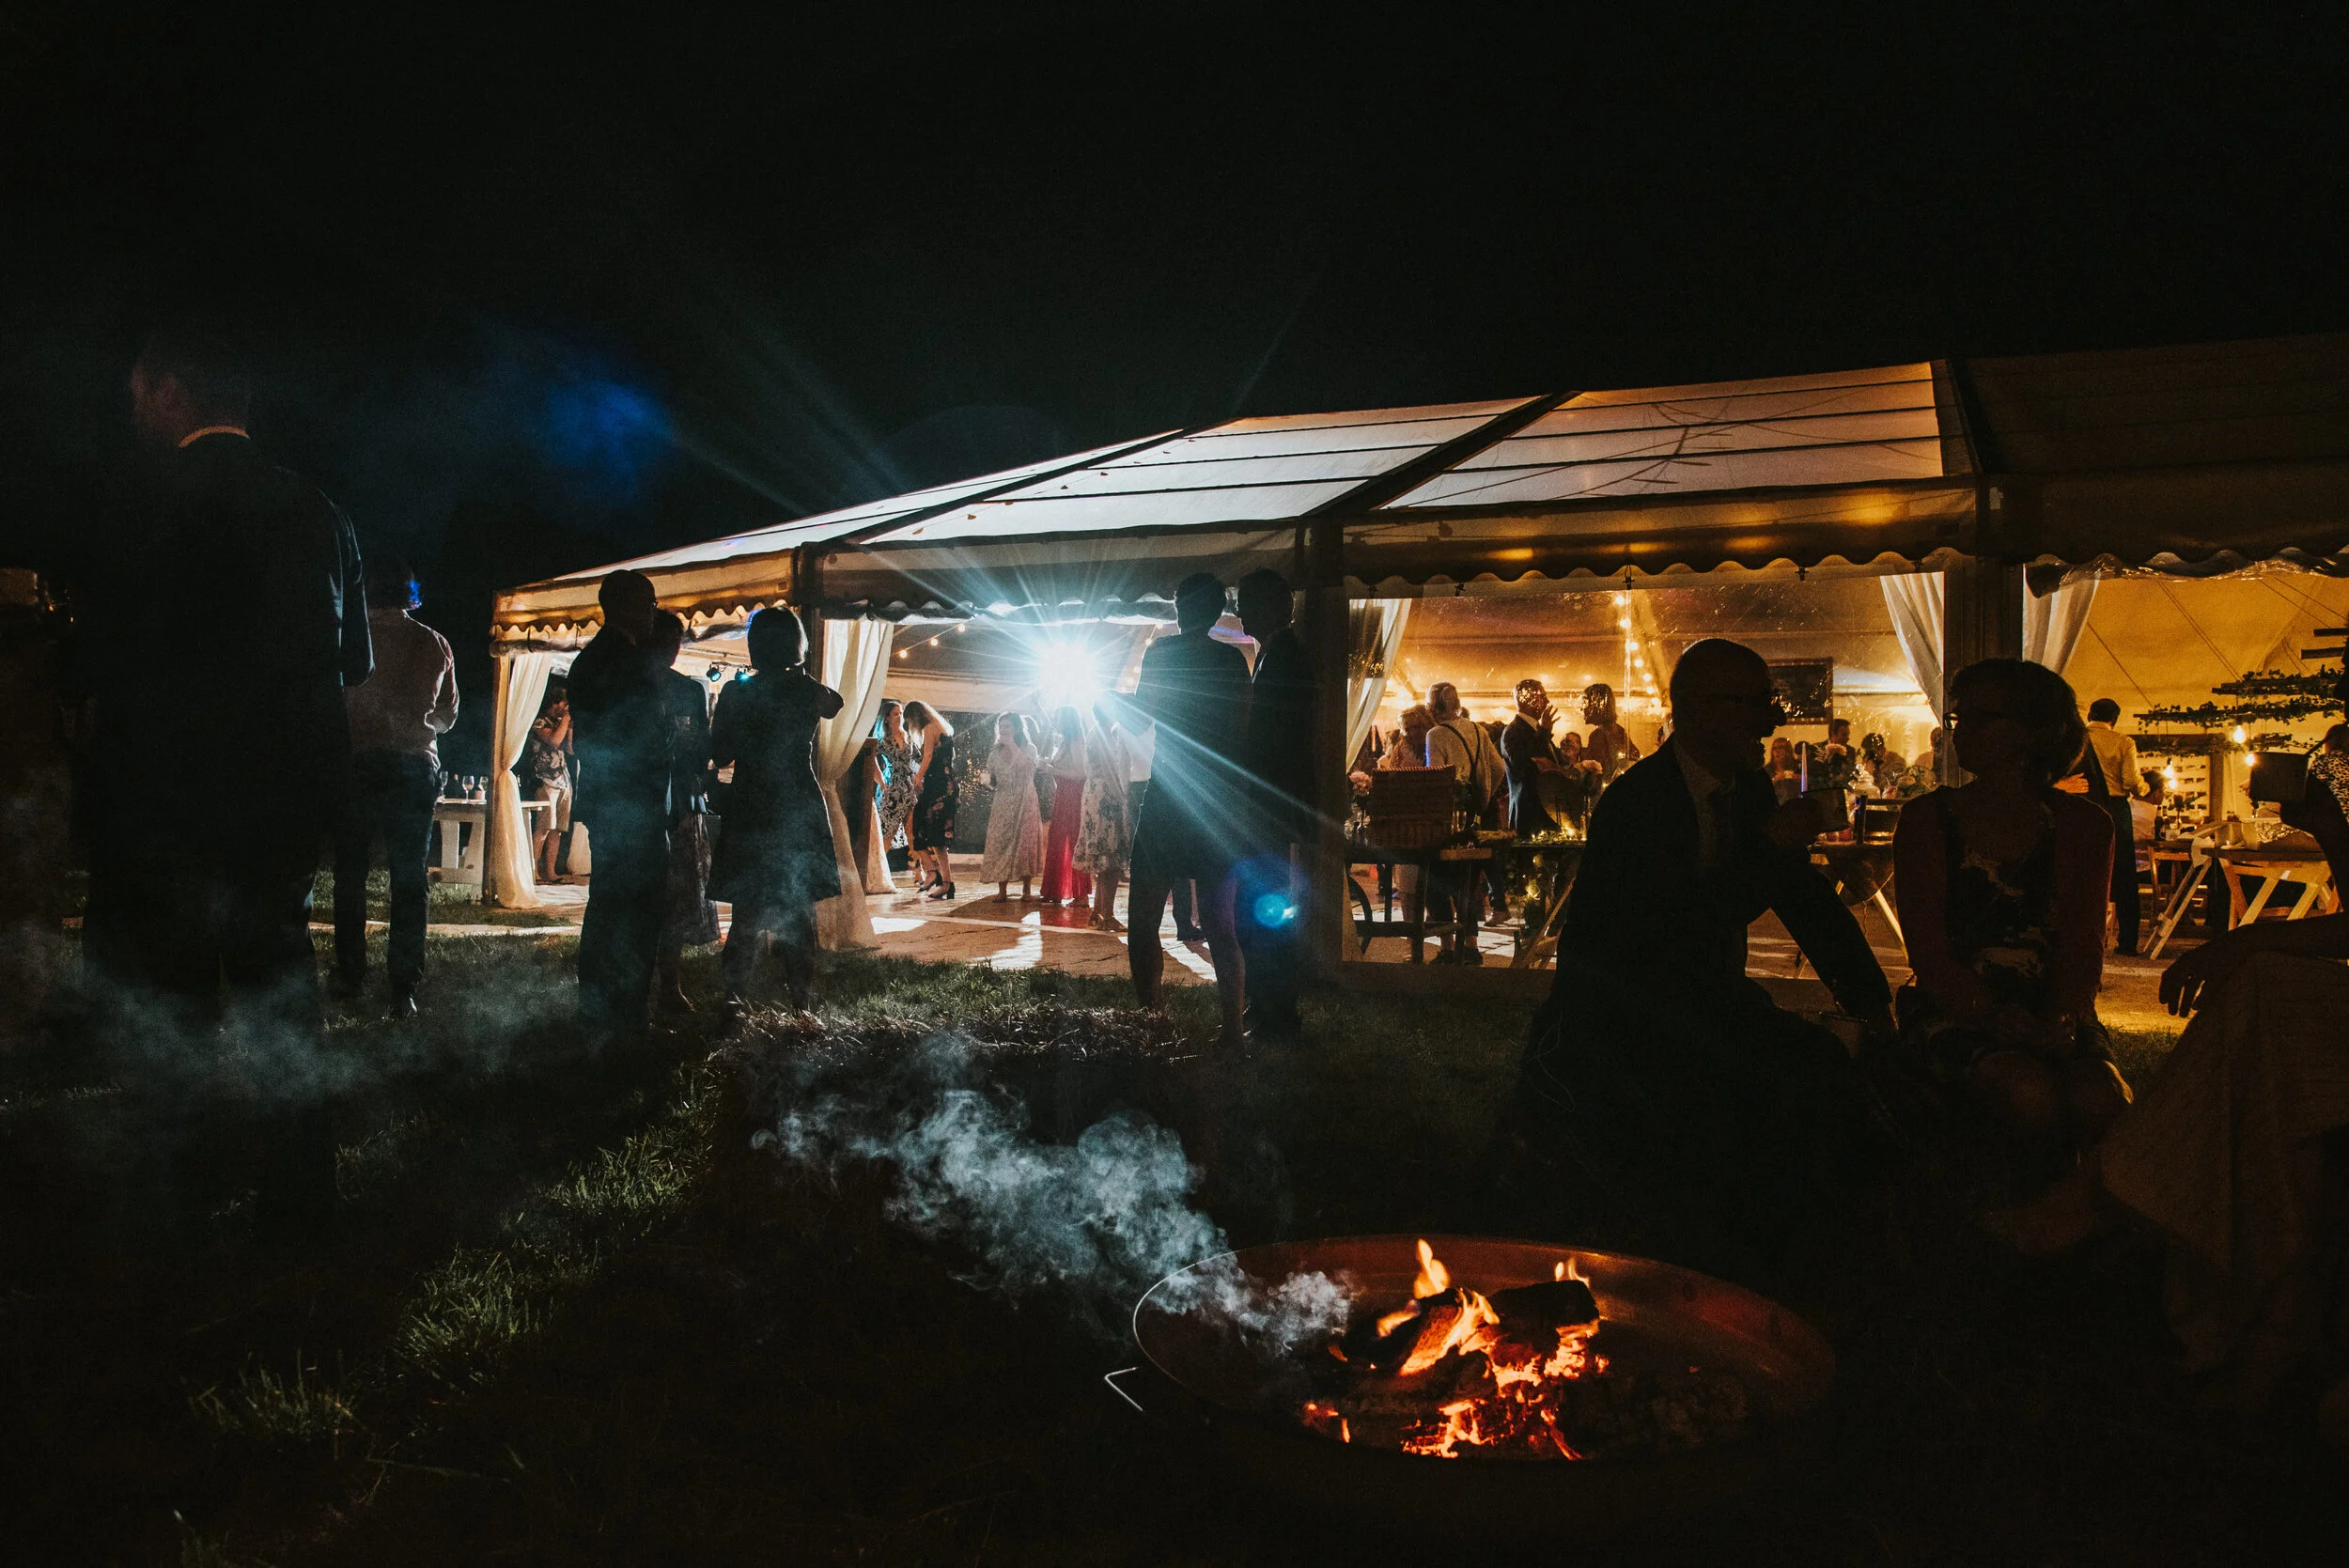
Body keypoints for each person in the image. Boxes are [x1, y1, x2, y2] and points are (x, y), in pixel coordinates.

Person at [82, 325, 371, 1240]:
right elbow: (351, 664)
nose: (132, 407)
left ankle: (179, 1194)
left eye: (138, 390)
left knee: (171, 1008)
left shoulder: (136, 503)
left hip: (164, 804)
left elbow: (96, 667)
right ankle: (301, 1194)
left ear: (173, 390)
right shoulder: (318, 512)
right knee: (278, 998)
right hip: (278, 806)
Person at [1513, 639, 1896, 1250]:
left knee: (1823, 1066)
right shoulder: (1638, 804)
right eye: (1759, 703)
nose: (1773, 720)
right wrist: (1769, 846)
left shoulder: (1747, 792)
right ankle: (1771, 1244)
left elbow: (1803, 899)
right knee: (1773, 1083)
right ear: (1702, 709)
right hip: (1622, 1014)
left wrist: (1870, 999)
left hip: (1703, 1000)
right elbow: (1674, 930)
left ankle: (1844, 1226)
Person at [1894, 660, 2129, 1162]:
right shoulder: (1927, 821)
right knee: (2027, 1091)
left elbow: (2083, 944)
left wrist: (2063, 1016)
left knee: (2100, 1097)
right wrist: (1989, 1013)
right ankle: (2033, 1210)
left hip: (2052, 1007)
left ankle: (2082, 1215)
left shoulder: (2083, 825)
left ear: (2034, 729)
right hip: (1953, 1007)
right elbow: (1928, 952)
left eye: (1982, 718)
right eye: (1959, 719)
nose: (1961, 732)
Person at [1126, 572, 1252, 1049]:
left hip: (1168, 792)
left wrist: (1110, 705)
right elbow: (1242, 731)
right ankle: (1233, 1031)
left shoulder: (1161, 654)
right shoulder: (1231, 660)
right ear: (1218, 610)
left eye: (1179, 602)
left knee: (1144, 916)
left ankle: (1150, 1021)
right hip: (1214, 797)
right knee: (1221, 923)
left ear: (1183, 608)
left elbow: (1140, 720)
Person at [333, 554, 457, 1018]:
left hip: (359, 766)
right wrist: (415, 723)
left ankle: (349, 974)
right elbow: (447, 715)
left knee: (351, 875)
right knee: (409, 880)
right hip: (412, 767)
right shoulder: (434, 643)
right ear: (411, 595)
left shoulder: (351, 642)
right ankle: (403, 988)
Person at [708, 608, 844, 1013]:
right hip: (797, 800)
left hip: (753, 801)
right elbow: (834, 703)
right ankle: (802, 1005)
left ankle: (732, 1003)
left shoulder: (738, 693)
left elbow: (721, 753)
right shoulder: (807, 691)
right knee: (799, 907)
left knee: (747, 912)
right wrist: (798, 672)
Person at [568, 569, 671, 1028]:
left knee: (607, 901)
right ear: (626, 604)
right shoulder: (629, 661)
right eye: (648, 603)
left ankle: (595, 998)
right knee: (639, 905)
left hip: (608, 796)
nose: (654, 612)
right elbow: (646, 734)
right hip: (633, 800)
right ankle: (628, 1006)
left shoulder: (590, 658)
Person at [1236, 568, 1316, 1034]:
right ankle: (1268, 1004)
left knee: (1265, 908)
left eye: (1247, 601)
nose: (1241, 611)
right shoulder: (1279, 655)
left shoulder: (1283, 658)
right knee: (1265, 906)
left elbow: (1272, 739)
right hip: (1272, 805)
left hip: (1268, 805)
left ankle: (1274, 1007)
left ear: (1270, 607)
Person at [646, 612, 717, 1014]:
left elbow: (703, 748)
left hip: (684, 798)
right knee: (662, 896)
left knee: (675, 896)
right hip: (654, 798)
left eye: (677, 640)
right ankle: (659, 986)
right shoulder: (640, 686)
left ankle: (670, 985)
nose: (674, 648)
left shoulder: (690, 690)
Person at [1423, 679, 1503, 964]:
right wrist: (1485, 795)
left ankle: (1446, 947)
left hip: (1449, 819)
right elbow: (1499, 766)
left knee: (1435, 882)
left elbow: (1436, 778)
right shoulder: (1478, 730)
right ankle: (1470, 946)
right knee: (1467, 884)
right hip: (1475, 817)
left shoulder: (1435, 734)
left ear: (1433, 707)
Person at [2082, 697, 2150, 955]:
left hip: (2084, 803)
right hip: (2116, 809)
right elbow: (2131, 779)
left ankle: (2084, 937)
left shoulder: (2079, 739)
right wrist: (2144, 788)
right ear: (2115, 719)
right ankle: (2128, 942)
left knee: (2085, 869)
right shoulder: (2123, 742)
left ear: (2090, 714)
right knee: (2123, 874)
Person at [1077, 699, 1133, 932]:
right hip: (1105, 796)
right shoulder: (1104, 735)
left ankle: (1098, 911)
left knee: (1103, 858)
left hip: (1093, 793)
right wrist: (1124, 797)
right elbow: (1112, 770)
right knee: (1110, 858)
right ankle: (1107, 915)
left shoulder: (1097, 732)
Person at [979, 711, 1045, 901]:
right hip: (1003, 799)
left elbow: (1025, 767)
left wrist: (1012, 744)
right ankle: (1002, 890)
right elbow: (993, 779)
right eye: (1001, 727)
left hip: (1025, 798)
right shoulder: (994, 753)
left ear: (1017, 728)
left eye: (1007, 726)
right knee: (1000, 841)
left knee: (1025, 843)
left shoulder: (1029, 748)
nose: (1003, 730)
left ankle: (1026, 889)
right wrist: (987, 780)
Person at [1039, 706, 1093, 908]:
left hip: (1073, 795)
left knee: (1073, 841)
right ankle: (1055, 890)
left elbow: (1081, 774)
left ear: (1067, 720)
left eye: (1057, 717)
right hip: (1062, 794)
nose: (1054, 720)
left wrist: (1052, 769)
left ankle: (1081, 894)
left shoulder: (1076, 742)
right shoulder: (1064, 742)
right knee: (1057, 840)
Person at [904, 701, 957, 899]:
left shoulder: (929, 728)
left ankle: (932, 871)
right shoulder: (944, 730)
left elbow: (926, 756)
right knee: (938, 838)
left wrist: (917, 778)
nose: (910, 725)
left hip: (937, 786)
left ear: (915, 717)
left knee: (915, 824)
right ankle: (947, 883)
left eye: (909, 721)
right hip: (948, 785)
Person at [1501, 678, 1567, 836]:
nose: (1547, 701)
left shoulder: (1538, 731)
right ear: (1527, 700)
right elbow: (1524, 766)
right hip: (1529, 819)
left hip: (1546, 816)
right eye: (1542, 696)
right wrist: (1544, 732)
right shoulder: (1513, 731)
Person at [522, 683, 575, 881]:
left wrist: (569, 728)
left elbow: (569, 749)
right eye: (565, 704)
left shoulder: (560, 722)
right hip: (545, 780)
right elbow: (553, 741)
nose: (566, 708)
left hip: (563, 780)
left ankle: (551, 872)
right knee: (544, 827)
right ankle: (533, 870)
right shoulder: (539, 721)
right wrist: (566, 721)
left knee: (557, 830)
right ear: (555, 702)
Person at [874, 698, 919, 873]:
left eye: (901, 713)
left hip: (909, 786)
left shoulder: (908, 737)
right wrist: (881, 781)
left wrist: (918, 778)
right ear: (887, 718)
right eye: (895, 714)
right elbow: (871, 758)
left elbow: (916, 760)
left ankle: (920, 872)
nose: (899, 717)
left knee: (912, 832)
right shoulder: (884, 741)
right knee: (889, 831)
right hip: (894, 788)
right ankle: (879, 873)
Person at [1579, 683, 1641, 781]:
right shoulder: (1619, 730)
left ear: (1596, 705)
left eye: (1585, 703)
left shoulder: (1598, 735)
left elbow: (1596, 775)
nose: (1581, 708)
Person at [1858, 732, 1906, 796]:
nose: (1868, 755)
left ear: (1880, 748)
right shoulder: (1868, 763)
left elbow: (1899, 784)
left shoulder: (1896, 761)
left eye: (1870, 752)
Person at [1766, 735, 1803, 804]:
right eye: (1774, 748)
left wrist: (1800, 778)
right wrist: (1775, 779)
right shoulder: (1767, 770)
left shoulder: (1798, 766)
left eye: (1781, 748)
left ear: (1788, 751)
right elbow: (1762, 790)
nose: (1777, 751)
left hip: (1795, 806)